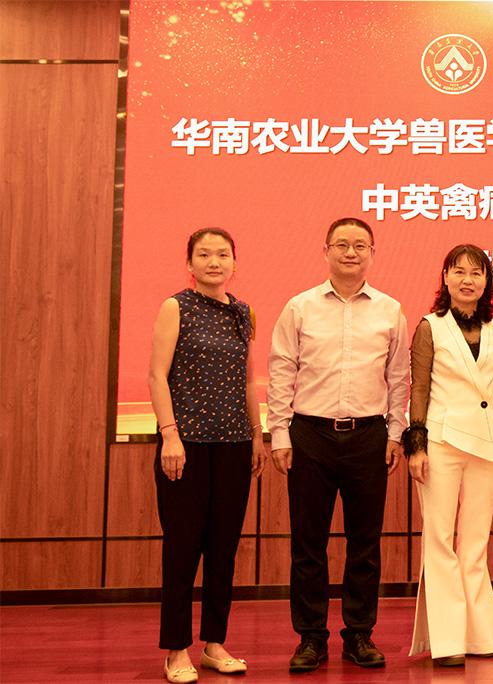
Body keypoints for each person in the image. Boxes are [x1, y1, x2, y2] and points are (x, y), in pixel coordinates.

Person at [267, 217, 410, 673]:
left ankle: (359, 634)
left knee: (364, 542)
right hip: (310, 435)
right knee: (307, 543)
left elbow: (399, 378)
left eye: (360, 245)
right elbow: (282, 370)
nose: (351, 252)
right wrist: (279, 432)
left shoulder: (390, 310)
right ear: (326, 250)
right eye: (342, 244)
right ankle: (311, 638)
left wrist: (395, 433)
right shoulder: (300, 307)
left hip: (368, 436)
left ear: (372, 253)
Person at [148, 228, 267, 683]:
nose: (214, 262)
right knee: (182, 549)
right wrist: (170, 435)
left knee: (223, 549)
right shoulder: (176, 307)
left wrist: (256, 435)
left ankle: (214, 644)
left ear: (235, 263)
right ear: (190, 264)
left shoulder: (242, 311)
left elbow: (248, 379)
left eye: (222, 254)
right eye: (204, 254)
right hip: (187, 447)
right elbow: (157, 375)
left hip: (234, 446)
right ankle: (176, 650)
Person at [402, 244, 493, 666]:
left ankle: (480, 636)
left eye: (476, 272)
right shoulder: (430, 327)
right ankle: (448, 641)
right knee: (439, 539)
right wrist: (416, 444)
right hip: (440, 441)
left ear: (487, 280)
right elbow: (419, 387)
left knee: (474, 542)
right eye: (458, 271)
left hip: (487, 442)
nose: (467, 280)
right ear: (445, 278)